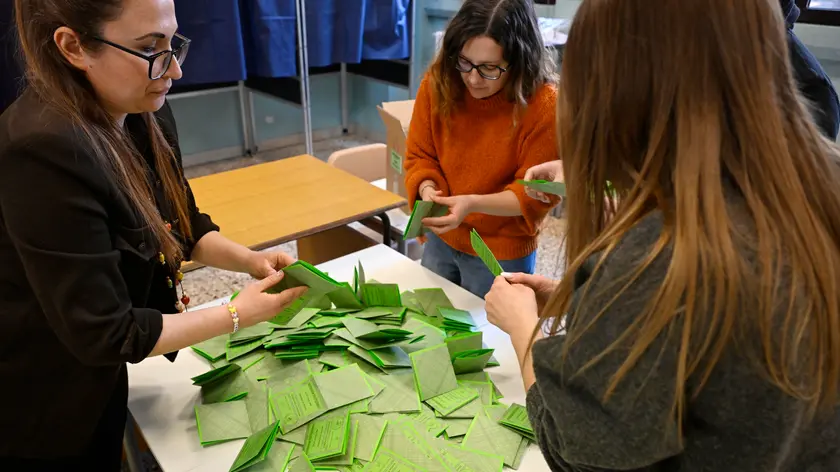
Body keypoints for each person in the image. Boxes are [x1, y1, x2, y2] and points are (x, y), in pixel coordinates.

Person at [485, 0, 840, 470]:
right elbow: (705, 343)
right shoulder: (821, 181)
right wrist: (594, 305)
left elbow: (576, 452)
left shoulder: (659, 259)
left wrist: (524, 330)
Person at [0, 0, 308, 469]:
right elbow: (105, 332)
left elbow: (182, 225)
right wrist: (234, 314)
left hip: (101, 368)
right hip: (42, 386)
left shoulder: (144, 109)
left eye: (173, 43)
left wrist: (250, 260)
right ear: (73, 46)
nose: (176, 70)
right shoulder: (41, 150)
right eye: (151, 49)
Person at [403, 0, 558, 298]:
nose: (473, 78)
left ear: (519, 61)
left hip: (500, 249)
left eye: (489, 68)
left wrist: (471, 204)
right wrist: (427, 188)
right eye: (465, 62)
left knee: (494, 338)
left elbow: (534, 193)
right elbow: (420, 155)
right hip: (443, 237)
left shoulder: (544, 106)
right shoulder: (440, 82)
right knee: (432, 325)